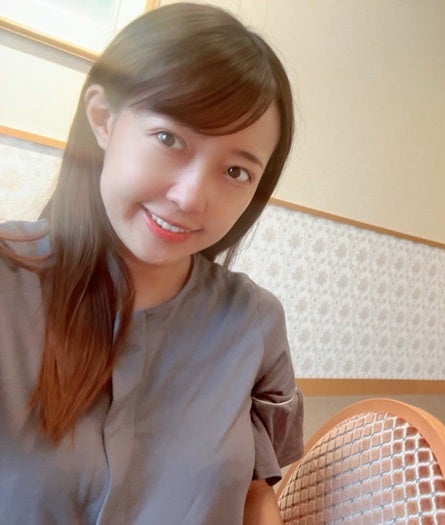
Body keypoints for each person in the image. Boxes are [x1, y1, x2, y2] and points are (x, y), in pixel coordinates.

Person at [0, 3, 303, 524]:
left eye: (235, 171)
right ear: (104, 119)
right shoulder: (9, 286)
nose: (190, 197)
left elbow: (256, 495)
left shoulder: (254, 322)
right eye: (169, 139)